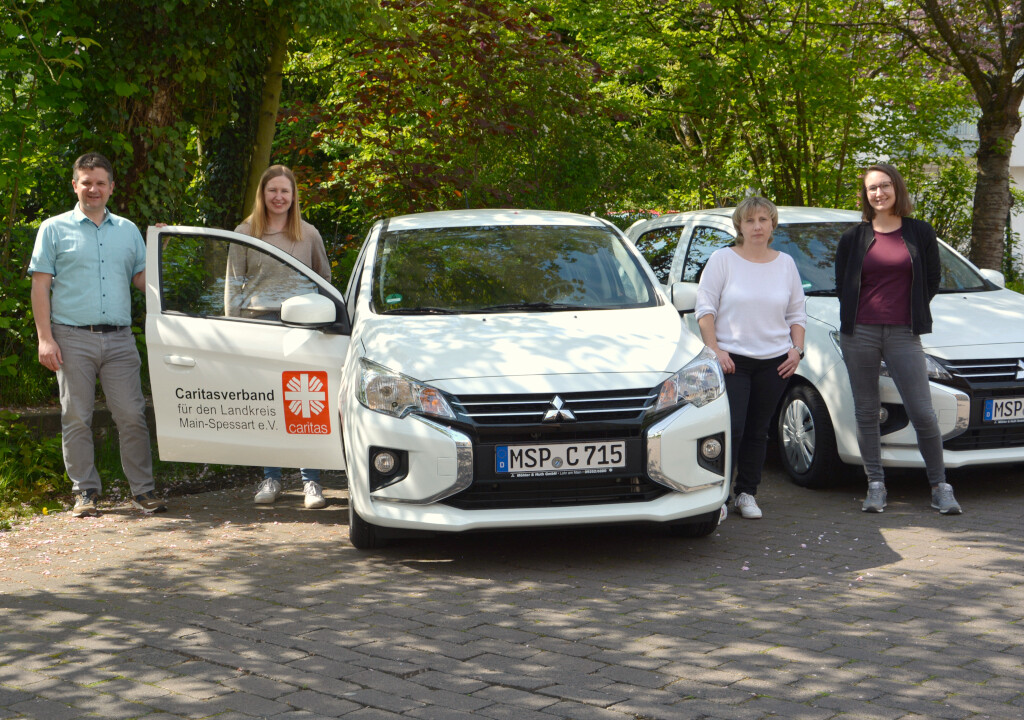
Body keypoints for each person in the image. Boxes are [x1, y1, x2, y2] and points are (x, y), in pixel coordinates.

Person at [29, 152, 166, 517]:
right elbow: (40, 286)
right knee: (76, 416)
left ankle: (143, 491)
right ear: (75, 185)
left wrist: (159, 251)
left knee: (132, 415)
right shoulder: (53, 229)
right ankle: (85, 492)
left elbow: (142, 280)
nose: (94, 189)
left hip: (120, 339)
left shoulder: (128, 231)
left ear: (111, 187)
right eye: (86, 182)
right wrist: (45, 338)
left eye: (100, 183)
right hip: (71, 337)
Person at [836, 163, 961, 515]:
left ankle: (940, 487)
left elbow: (932, 279)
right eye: (872, 188)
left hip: (904, 332)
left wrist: (911, 311)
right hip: (859, 333)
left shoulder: (920, 232)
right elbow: (844, 283)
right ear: (865, 195)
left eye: (885, 185)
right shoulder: (853, 237)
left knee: (922, 411)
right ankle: (875, 485)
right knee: (866, 411)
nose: (879, 193)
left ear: (897, 188)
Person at [695, 196, 806, 519]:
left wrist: (797, 350)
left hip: (775, 362)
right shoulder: (723, 259)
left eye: (763, 220)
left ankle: (747, 493)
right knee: (732, 429)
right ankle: (718, 497)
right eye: (750, 220)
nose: (757, 226)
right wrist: (715, 349)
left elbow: (797, 312)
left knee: (759, 430)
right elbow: (705, 309)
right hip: (733, 361)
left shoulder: (785, 263)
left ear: (772, 224)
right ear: (740, 226)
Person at [229, 165, 331, 509]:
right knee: (268, 403)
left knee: (304, 403)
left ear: (293, 195)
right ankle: (271, 478)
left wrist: (324, 322)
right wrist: (231, 330)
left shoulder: (308, 234)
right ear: (262, 193)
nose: (278, 197)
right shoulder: (245, 232)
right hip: (259, 326)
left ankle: (311, 481)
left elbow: (324, 281)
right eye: (272, 190)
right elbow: (233, 284)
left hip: (301, 327)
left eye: (284, 191)